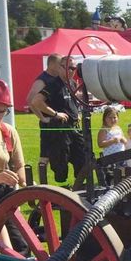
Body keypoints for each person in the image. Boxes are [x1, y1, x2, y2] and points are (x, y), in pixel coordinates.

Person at [27, 54, 86, 183]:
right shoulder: (53, 84)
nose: (72, 71)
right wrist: (54, 114)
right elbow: (35, 101)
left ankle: (81, 187)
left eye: (74, 68)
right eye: (69, 68)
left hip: (74, 129)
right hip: (59, 130)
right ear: (60, 68)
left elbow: (75, 103)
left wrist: (78, 114)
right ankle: (44, 187)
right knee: (59, 163)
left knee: (83, 158)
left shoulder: (72, 83)